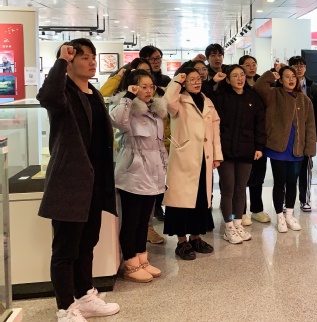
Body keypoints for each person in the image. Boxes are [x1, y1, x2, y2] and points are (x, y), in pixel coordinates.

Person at [37, 39, 120, 322]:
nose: (92, 61)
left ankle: (84, 295)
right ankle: (65, 307)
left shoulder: (93, 93)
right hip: (70, 182)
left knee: (87, 243)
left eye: (93, 56)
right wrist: (60, 60)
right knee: (65, 249)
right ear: (70, 62)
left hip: (95, 181)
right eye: (84, 57)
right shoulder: (63, 93)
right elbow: (47, 97)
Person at [110, 70, 167, 282]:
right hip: (132, 174)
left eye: (151, 86)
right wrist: (127, 98)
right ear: (132, 87)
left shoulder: (155, 113)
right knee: (131, 221)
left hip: (153, 173)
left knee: (145, 221)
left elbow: (159, 145)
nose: (148, 91)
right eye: (143, 86)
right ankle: (130, 263)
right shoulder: (126, 109)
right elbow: (116, 121)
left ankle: (142, 258)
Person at [163, 66, 223, 260]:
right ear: (183, 81)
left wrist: (217, 154)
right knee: (180, 201)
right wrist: (176, 81)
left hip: (204, 157)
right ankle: (182, 242)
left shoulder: (207, 101)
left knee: (200, 199)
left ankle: (196, 237)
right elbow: (166, 102)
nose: (197, 82)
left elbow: (215, 131)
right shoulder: (178, 100)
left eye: (199, 78)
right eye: (191, 79)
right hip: (184, 158)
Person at [206, 65, 266, 244]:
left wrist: (259, 147)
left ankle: (238, 223)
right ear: (227, 79)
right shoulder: (221, 97)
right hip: (225, 150)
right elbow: (204, 94)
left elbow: (260, 124)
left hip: (247, 149)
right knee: (228, 189)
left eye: (242, 75)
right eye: (235, 75)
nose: (240, 78)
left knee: (241, 189)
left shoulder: (252, 97)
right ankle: (229, 225)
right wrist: (212, 81)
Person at [254, 66, 317, 232]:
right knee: (279, 182)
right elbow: (258, 87)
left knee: (292, 182)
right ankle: (280, 217)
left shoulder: (304, 100)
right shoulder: (274, 94)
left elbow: (310, 126)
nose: (291, 79)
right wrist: (271, 74)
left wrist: (309, 149)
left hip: (297, 148)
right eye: (287, 76)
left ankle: (289, 214)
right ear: (280, 80)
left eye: (293, 76)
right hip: (278, 148)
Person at [287, 56, 317, 213]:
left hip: (307, 133)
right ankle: (287, 201)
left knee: (305, 168)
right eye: (295, 65)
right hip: (289, 133)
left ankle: (305, 200)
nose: (299, 68)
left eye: (302, 65)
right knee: (288, 169)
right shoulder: (282, 85)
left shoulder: (312, 86)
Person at [238, 55, 270, 225]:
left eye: (254, 64)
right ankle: (240, 211)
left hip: (259, 135)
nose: (251, 67)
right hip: (241, 138)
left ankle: (257, 209)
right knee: (241, 177)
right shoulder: (237, 85)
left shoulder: (262, 84)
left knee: (258, 175)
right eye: (247, 65)